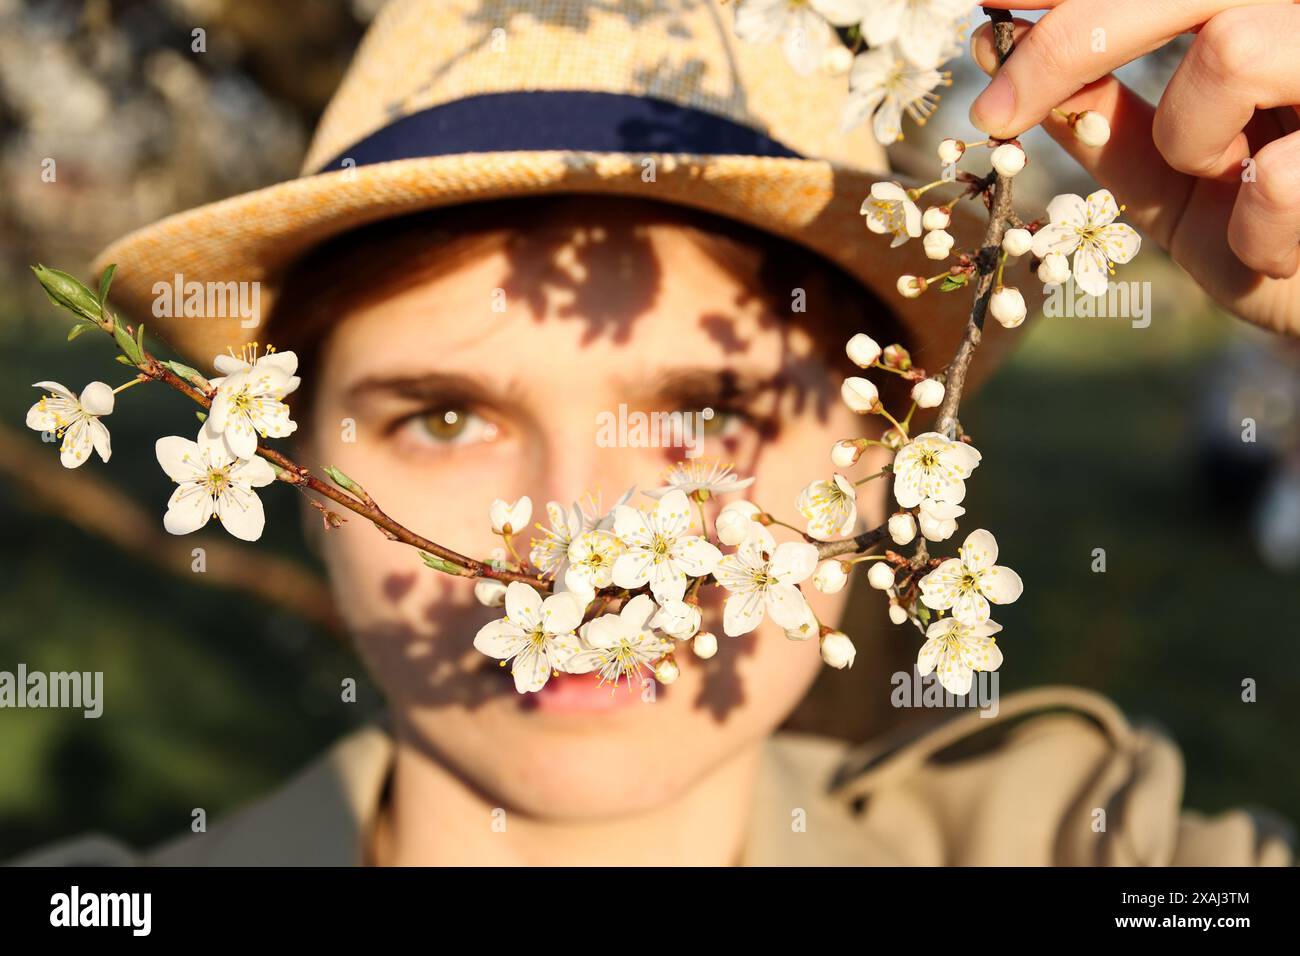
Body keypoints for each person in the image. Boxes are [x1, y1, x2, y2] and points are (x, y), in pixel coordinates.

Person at [16, 0, 1298, 866]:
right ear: (290, 470)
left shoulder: (1085, 846)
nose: (584, 558)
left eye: (706, 413)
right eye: (445, 415)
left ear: (883, 467)